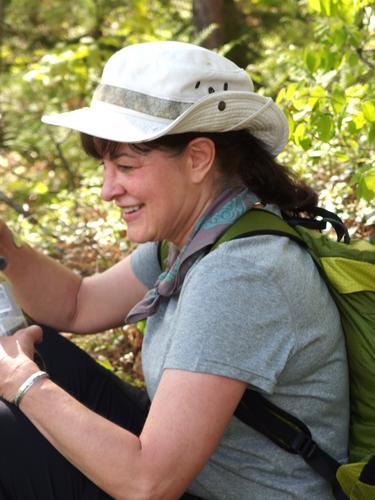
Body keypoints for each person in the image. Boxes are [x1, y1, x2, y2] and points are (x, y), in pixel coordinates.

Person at [0, 41, 349, 500]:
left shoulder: (242, 273)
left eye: (125, 165)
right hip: (189, 473)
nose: (108, 189)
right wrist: (7, 248)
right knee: (48, 352)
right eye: (105, 166)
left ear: (199, 158)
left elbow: (148, 484)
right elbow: (77, 304)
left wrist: (20, 380)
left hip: (200, 489)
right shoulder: (196, 237)